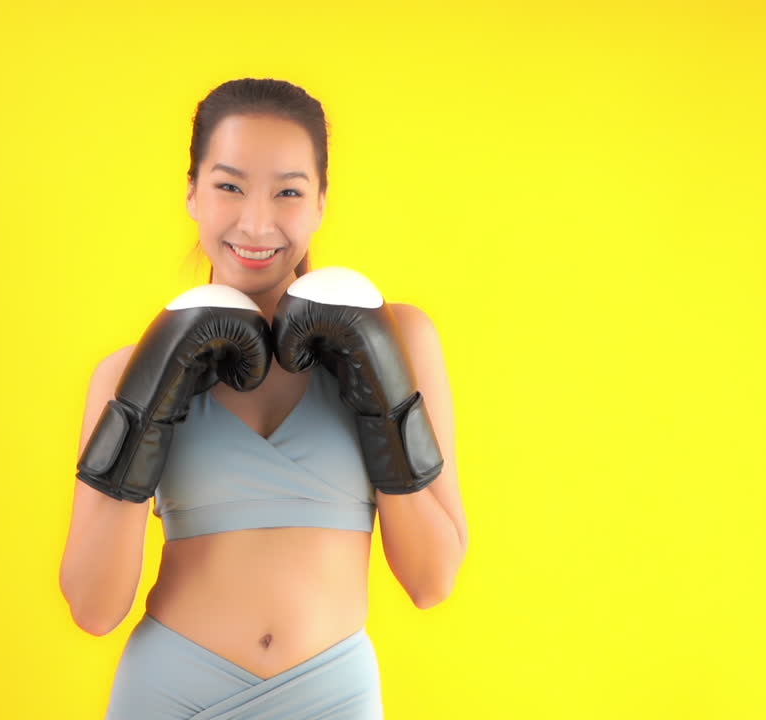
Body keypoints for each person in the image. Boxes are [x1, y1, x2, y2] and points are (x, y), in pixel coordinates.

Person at [59, 78, 469, 720]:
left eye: (288, 191)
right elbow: (92, 608)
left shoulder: (401, 338)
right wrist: (143, 410)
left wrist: (383, 400)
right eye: (228, 186)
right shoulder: (128, 370)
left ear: (322, 201)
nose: (257, 222)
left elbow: (432, 581)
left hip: (331, 697)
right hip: (168, 696)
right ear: (191, 191)